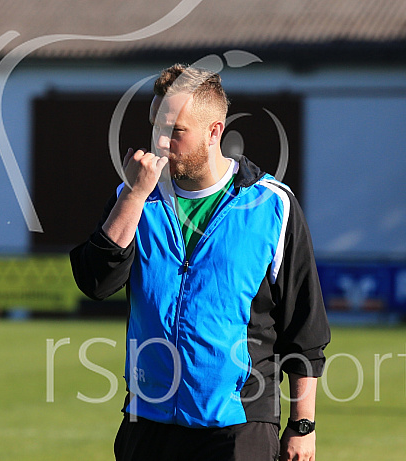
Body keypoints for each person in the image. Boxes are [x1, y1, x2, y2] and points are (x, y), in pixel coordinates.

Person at [70, 64, 330, 461]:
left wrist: (302, 425)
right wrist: (133, 197)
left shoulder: (272, 206)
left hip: (238, 426)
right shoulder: (134, 198)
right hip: (149, 422)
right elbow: (96, 282)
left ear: (214, 132)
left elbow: (304, 327)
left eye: (175, 131)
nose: (160, 142)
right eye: (155, 126)